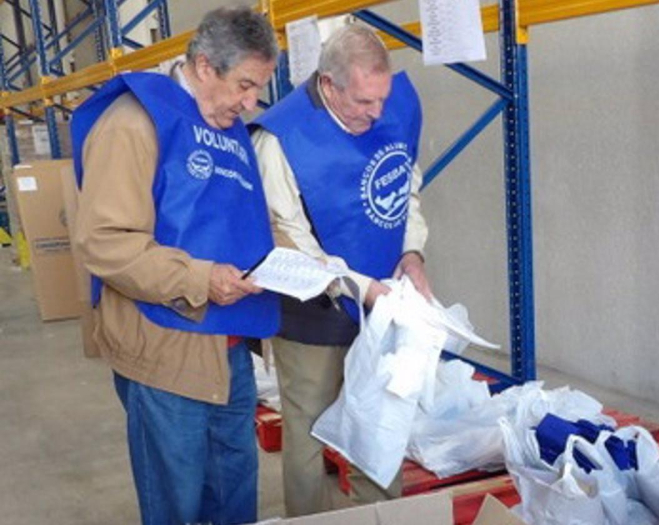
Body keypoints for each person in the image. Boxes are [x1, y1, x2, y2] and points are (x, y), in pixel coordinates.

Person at [71, 7, 279, 524]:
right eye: (245, 85)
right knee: (177, 505)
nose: (252, 102)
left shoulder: (224, 121)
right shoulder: (134, 123)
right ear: (205, 66)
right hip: (165, 353)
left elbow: (239, 218)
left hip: (230, 350)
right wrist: (200, 278)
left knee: (234, 498)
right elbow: (103, 241)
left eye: (259, 87)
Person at [250, 24, 432, 516]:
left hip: (382, 302)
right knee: (309, 425)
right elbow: (290, 239)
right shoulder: (280, 140)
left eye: (382, 99)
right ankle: (312, 517)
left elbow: (403, 189)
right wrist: (358, 287)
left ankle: (381, 513)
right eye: (363, 103)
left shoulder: (391, 106)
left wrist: (412, 252)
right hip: (312, 309)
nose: (376, 114)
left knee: (381, 419)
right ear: (329, 85)